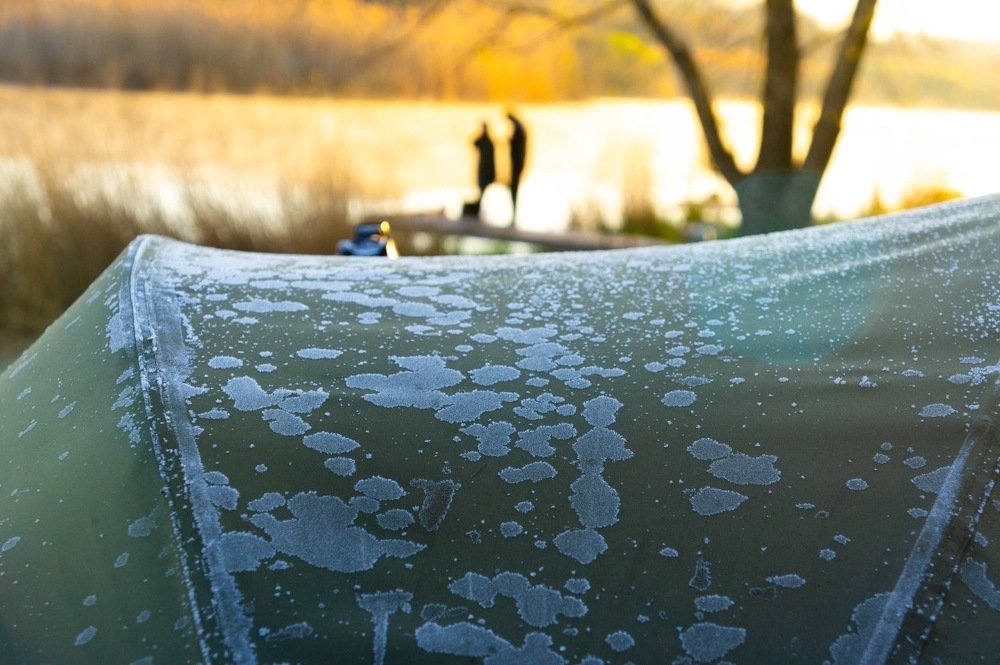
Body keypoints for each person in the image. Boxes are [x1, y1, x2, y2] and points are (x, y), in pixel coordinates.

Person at [467, 122, 495, 219]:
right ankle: (477, 210)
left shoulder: (489, 141)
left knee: (483, 191)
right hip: (483, 170)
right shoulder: (485, 140)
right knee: (481, 191)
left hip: (486, 171)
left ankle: (478, 210)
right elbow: (473, 142)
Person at [507, 111, 527, 227]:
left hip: (516, 164)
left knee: (514, 189)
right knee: (514, 189)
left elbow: (517, 149)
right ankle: (514, 216)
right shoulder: (520, 128)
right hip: (517, 164)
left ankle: (514, 216)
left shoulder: (518, 130)